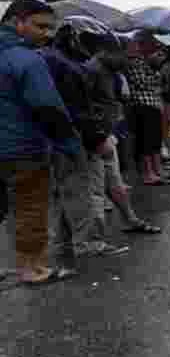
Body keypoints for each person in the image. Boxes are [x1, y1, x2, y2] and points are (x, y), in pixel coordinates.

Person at [0, 0, 79, 285]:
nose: (47, 34)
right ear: (16, 22)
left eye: (50, 28)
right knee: (30, 209)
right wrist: (71, 146)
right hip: (23, 149)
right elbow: (48, 107)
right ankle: (31, 269)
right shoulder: (27, 59)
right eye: (40, 26)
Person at [41, 15, 131, 261]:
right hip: (71, 139)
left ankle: (64, 245)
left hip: (53, 140)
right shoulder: (67, 67)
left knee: (65, 195)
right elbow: (77, 110)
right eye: (92, 44)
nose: (95, 51)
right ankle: (89, 243)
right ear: (75, 39)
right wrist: (97, 139)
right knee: (82, 191)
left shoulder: (51, 60)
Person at [79, 21, 162, 236]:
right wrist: (97, 133)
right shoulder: (91, 70)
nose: (128, 63)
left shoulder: (110, 70)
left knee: (114, 181)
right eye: (125, 57)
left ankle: (131, 220)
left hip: (106, 134)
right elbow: (81, 106)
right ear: (108, 52)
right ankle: (91, 239)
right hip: (93, 137)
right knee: (96, 188)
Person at [122, 31, 170, 186]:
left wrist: (155, 69)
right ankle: (148, 174)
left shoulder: (144, 62)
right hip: (142, 106)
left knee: (155, 141)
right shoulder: (134, 62)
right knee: (146, 143)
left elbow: (157, 86)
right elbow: (143, 83)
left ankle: (158, 171)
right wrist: (155, 74)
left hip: (153, 105)